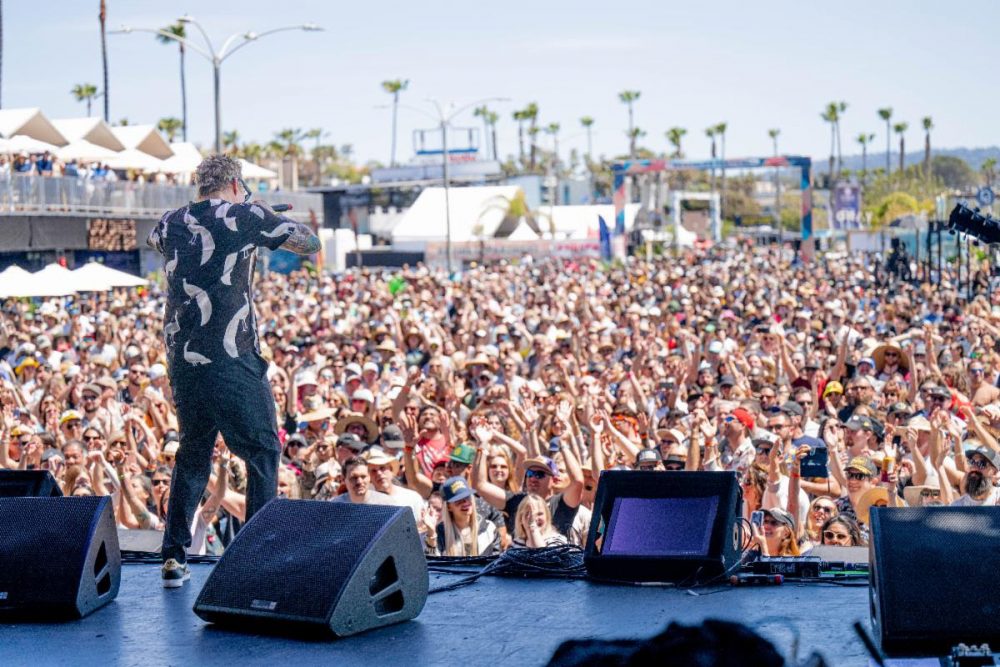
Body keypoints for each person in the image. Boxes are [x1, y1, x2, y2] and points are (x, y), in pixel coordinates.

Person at [149, 155, 320, 588]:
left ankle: (172, 557)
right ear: (234, 183)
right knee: (262, 451)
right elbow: (309, 243)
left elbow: (174, 243)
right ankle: (254, 558)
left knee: (193, 453)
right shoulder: (244, 212)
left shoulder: (171, 220)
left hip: (183, 358)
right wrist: (258, 215)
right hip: (230, 354)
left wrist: (249, 226)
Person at [427, 476, 499, 556]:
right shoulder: (439, 532)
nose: (465, 502)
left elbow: (496, 564)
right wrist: (431, 534)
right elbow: (432, 563)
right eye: (458, 500)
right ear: (448, 507)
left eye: (467, 496)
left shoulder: (489, 528)